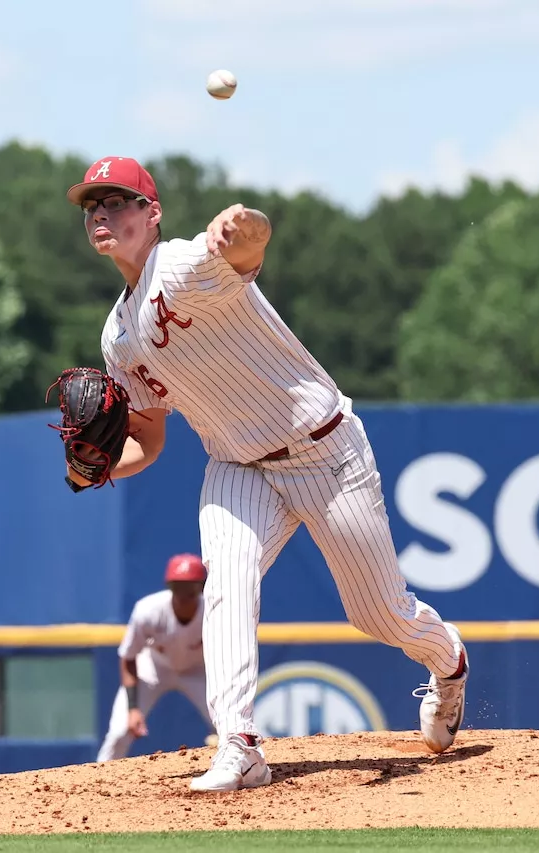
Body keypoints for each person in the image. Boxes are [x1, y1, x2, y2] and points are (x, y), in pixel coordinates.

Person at [63, 156, 469, 793]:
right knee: (226, 579)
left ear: (153, 212)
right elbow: (150, 436)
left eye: (117, 201)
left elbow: (250, 246)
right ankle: (240, 744)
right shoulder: (117, 337)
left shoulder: (187, 264)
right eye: (92, 205)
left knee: (378, 614)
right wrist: (103, 470)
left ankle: (448, 659)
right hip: (235, 465)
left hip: (324, 452)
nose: (101, 214)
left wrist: (242, 223)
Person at [96, 553, 213, 762]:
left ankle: (252, 769)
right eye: (178, 586)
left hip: (199, 670)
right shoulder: (148, 610)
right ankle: (96, 781)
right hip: (154, 668)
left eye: (191, 587)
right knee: (120, 731)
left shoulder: (214, 612)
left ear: (202, 587)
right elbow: (128, 657)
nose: (184, 593)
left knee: (232, 725)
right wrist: (133, 709)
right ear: (169, 586)